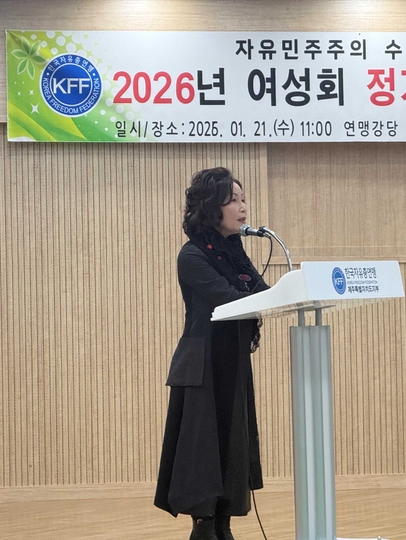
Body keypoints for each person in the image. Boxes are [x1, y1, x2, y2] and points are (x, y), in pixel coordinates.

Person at [154, 167, 270, 540]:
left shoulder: (235, 252)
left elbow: (264, 293)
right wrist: (258, 296)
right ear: (211, 207)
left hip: (232, 362)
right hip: (203, 365)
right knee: (202, 449)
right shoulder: (191, 255)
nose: (243, 207)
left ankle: (223, 524)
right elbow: (229, 300)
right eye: (233, 200)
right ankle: (204, 527)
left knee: (232, 444)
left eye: (243, 199)